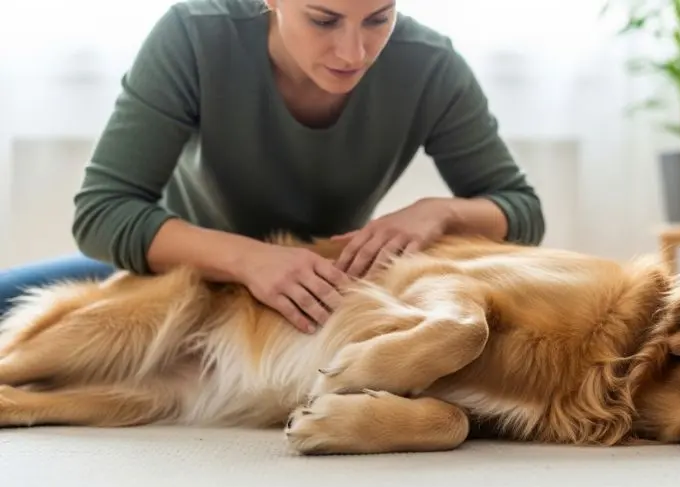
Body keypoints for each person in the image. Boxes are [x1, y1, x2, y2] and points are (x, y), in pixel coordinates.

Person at [0, 0, 545, 333]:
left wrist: (441, 212)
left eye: (379, 18)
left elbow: (521, 212)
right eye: (324, 20)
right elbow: (103, 213)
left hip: (320, 291)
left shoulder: (430, 64)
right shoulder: (194, 35)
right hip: (178, 276)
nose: (354, 52)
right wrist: (248, 260)